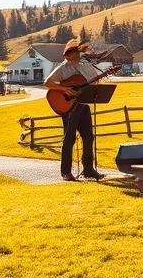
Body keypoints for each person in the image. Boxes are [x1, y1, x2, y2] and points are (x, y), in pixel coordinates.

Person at [44, 38, 105, 181]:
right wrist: (64, 88)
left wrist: (94, 82)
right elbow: (47, 82)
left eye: (72, 53)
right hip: (69, 107)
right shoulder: (63, 68)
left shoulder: (85, 65)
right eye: (68, 54)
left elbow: (94, 82)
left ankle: (89, 170)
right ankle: (66, 172)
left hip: (83, 105)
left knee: (89, 137)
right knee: (69, 138)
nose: (70, 56)